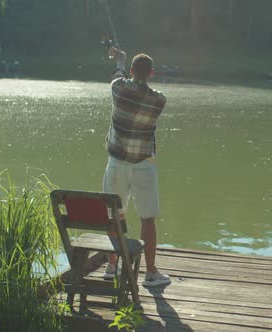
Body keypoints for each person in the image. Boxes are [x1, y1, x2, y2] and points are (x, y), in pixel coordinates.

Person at [102, 46, 171, 287]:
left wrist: (119, 61)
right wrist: (127, 67)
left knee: (115, 216)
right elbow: (139, 87)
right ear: (151, 73)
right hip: (143, 166)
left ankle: (111, 266)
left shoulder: (118, 89)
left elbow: (116, 77)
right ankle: (150, 273)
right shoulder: (159, 100)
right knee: (147, 219)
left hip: (117, 164)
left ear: (131, 70)